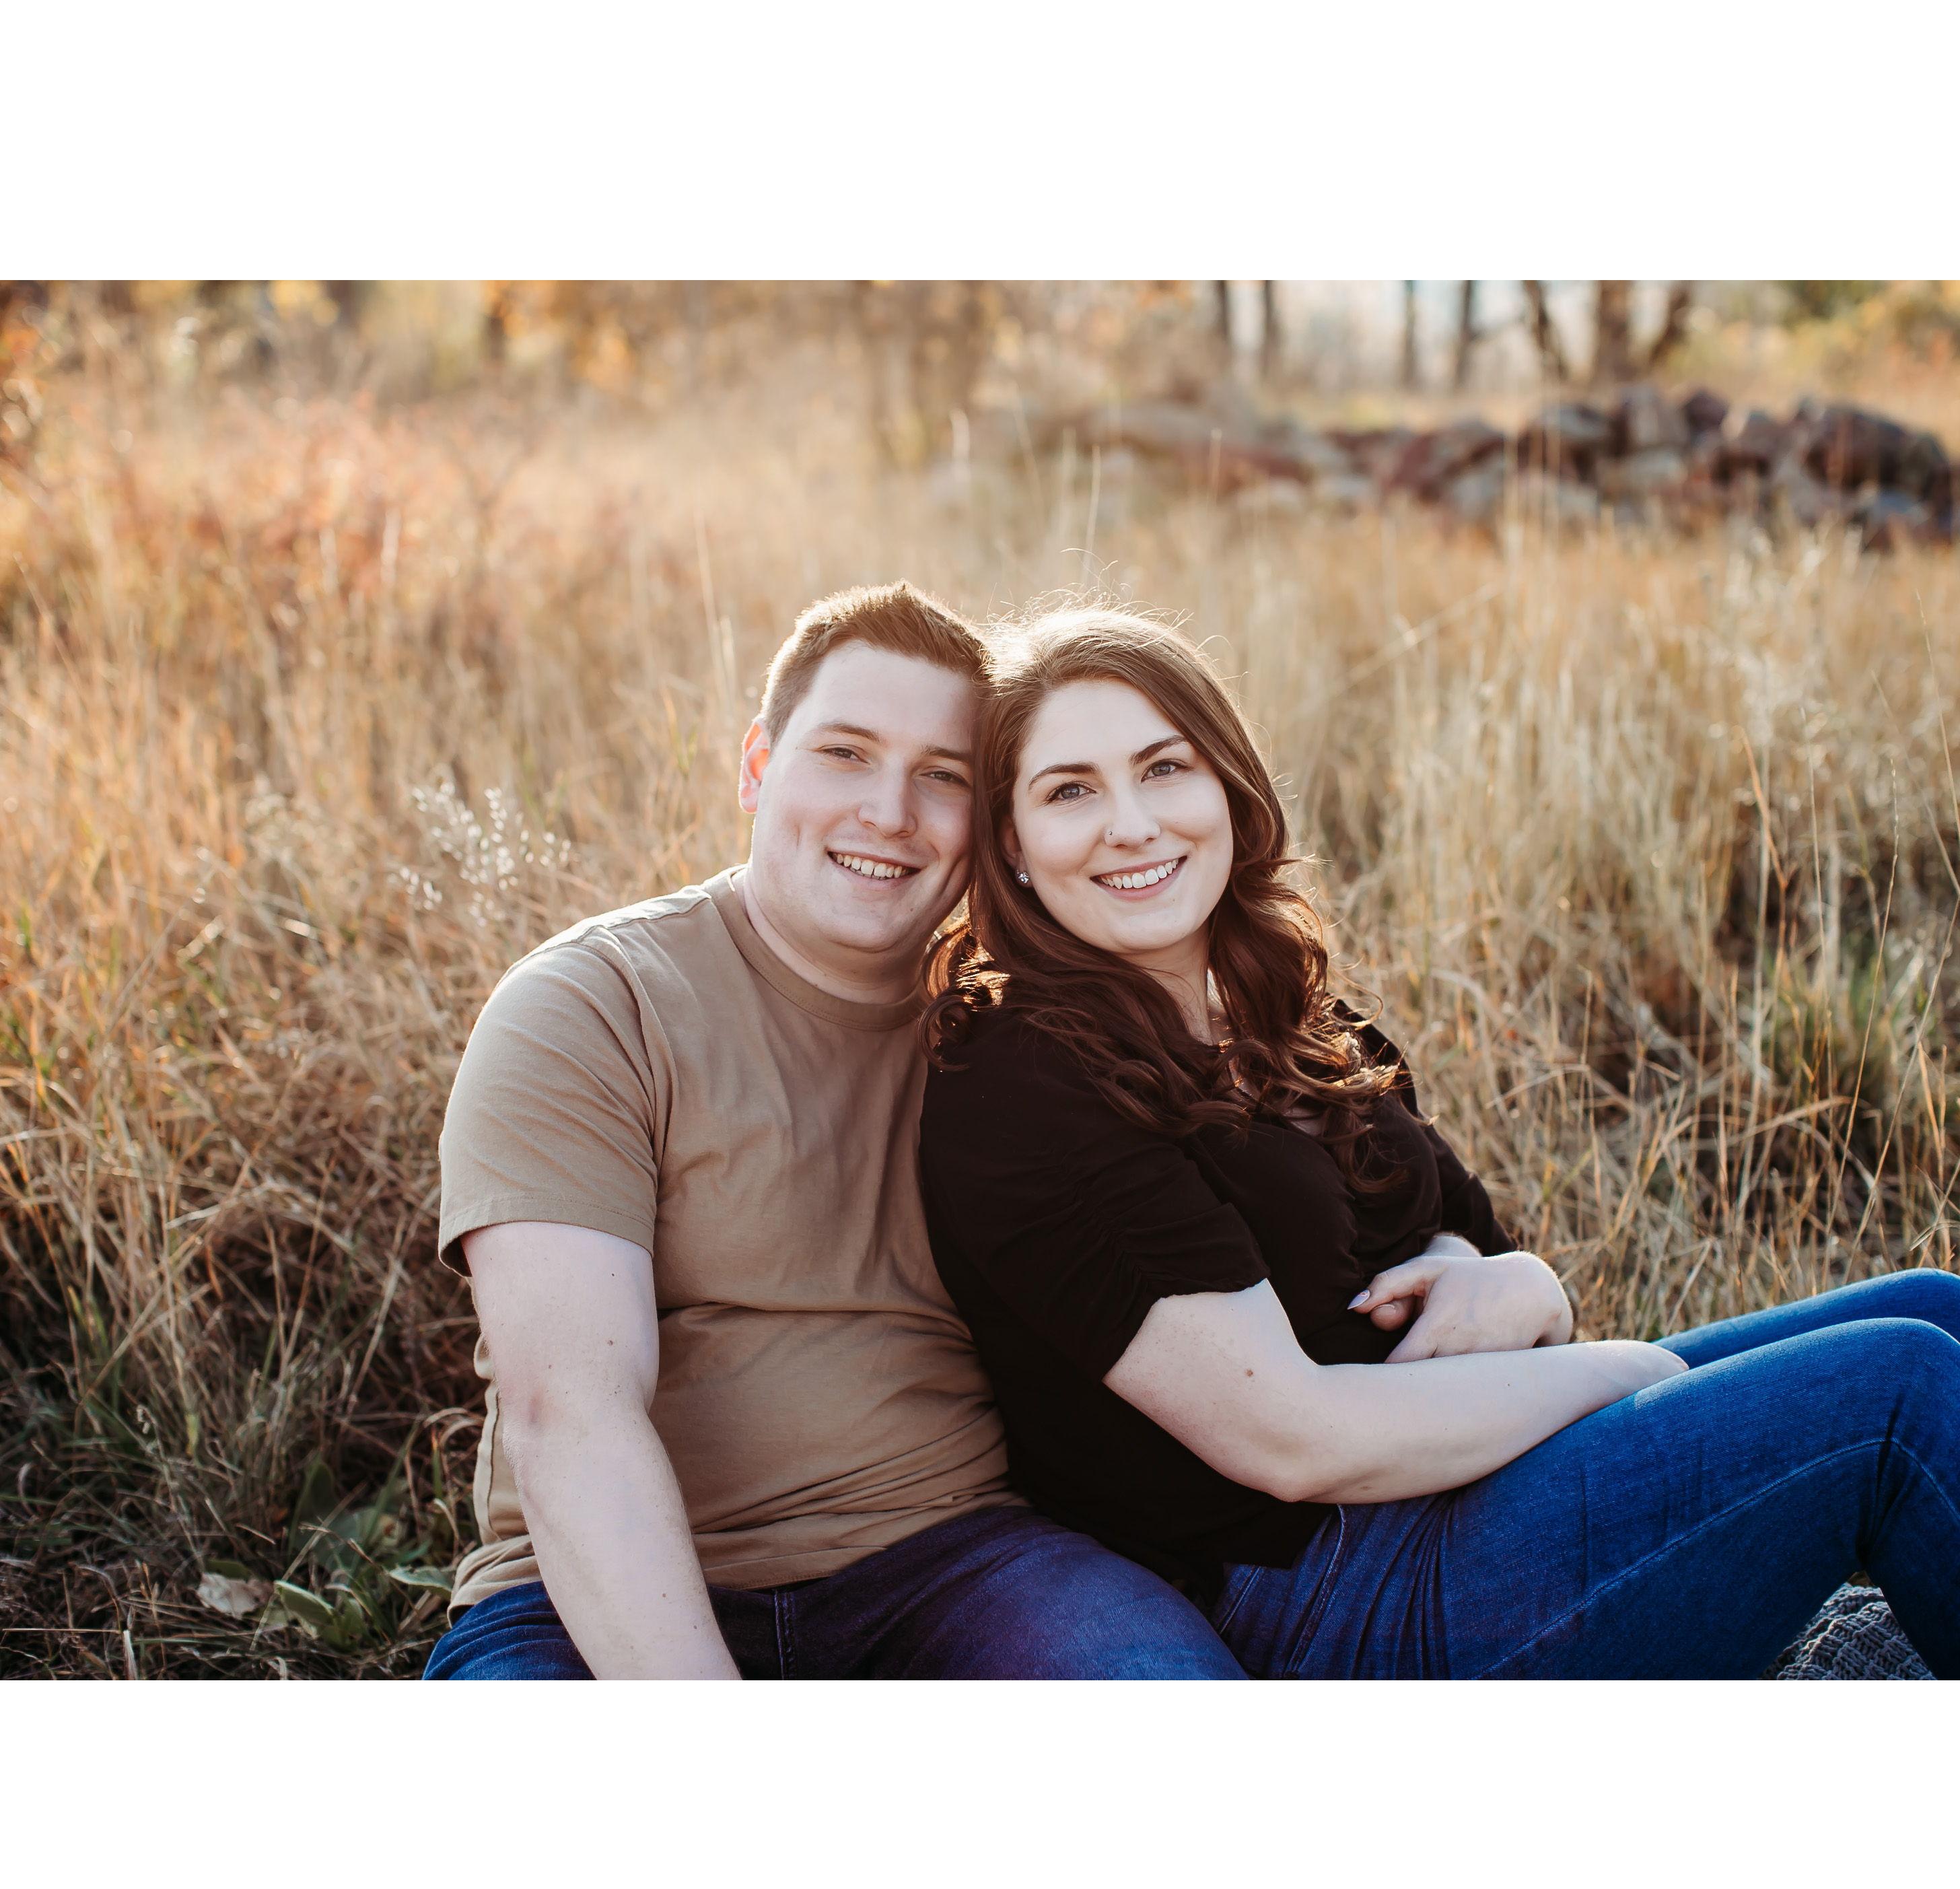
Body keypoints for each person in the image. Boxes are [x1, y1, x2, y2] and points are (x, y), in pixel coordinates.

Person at [918, 605, 1960, 1678]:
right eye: (1070, 791)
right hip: (1335, 1588)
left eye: (1163, 768)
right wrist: (1624, 1367)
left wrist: (1513, 1282)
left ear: (1228, 784)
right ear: (1014, 847)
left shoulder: (1288, 1014)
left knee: (1936, 1303)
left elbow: (1470, 1243)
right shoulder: (1020, 1081)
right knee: (1899, 1392)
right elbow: (1290, 1440)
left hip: (1481, 1480)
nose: (1129, 823)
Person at [423, 582, 1246, 1678]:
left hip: (957, 1562)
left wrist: (1477, 1266)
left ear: (989, 830)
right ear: (758, 766)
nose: (890, 814)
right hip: (589, 1601)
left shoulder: (1023, 1038)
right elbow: (569, 1414)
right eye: (845, 754)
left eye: (941, 777)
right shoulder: (594, 1006)